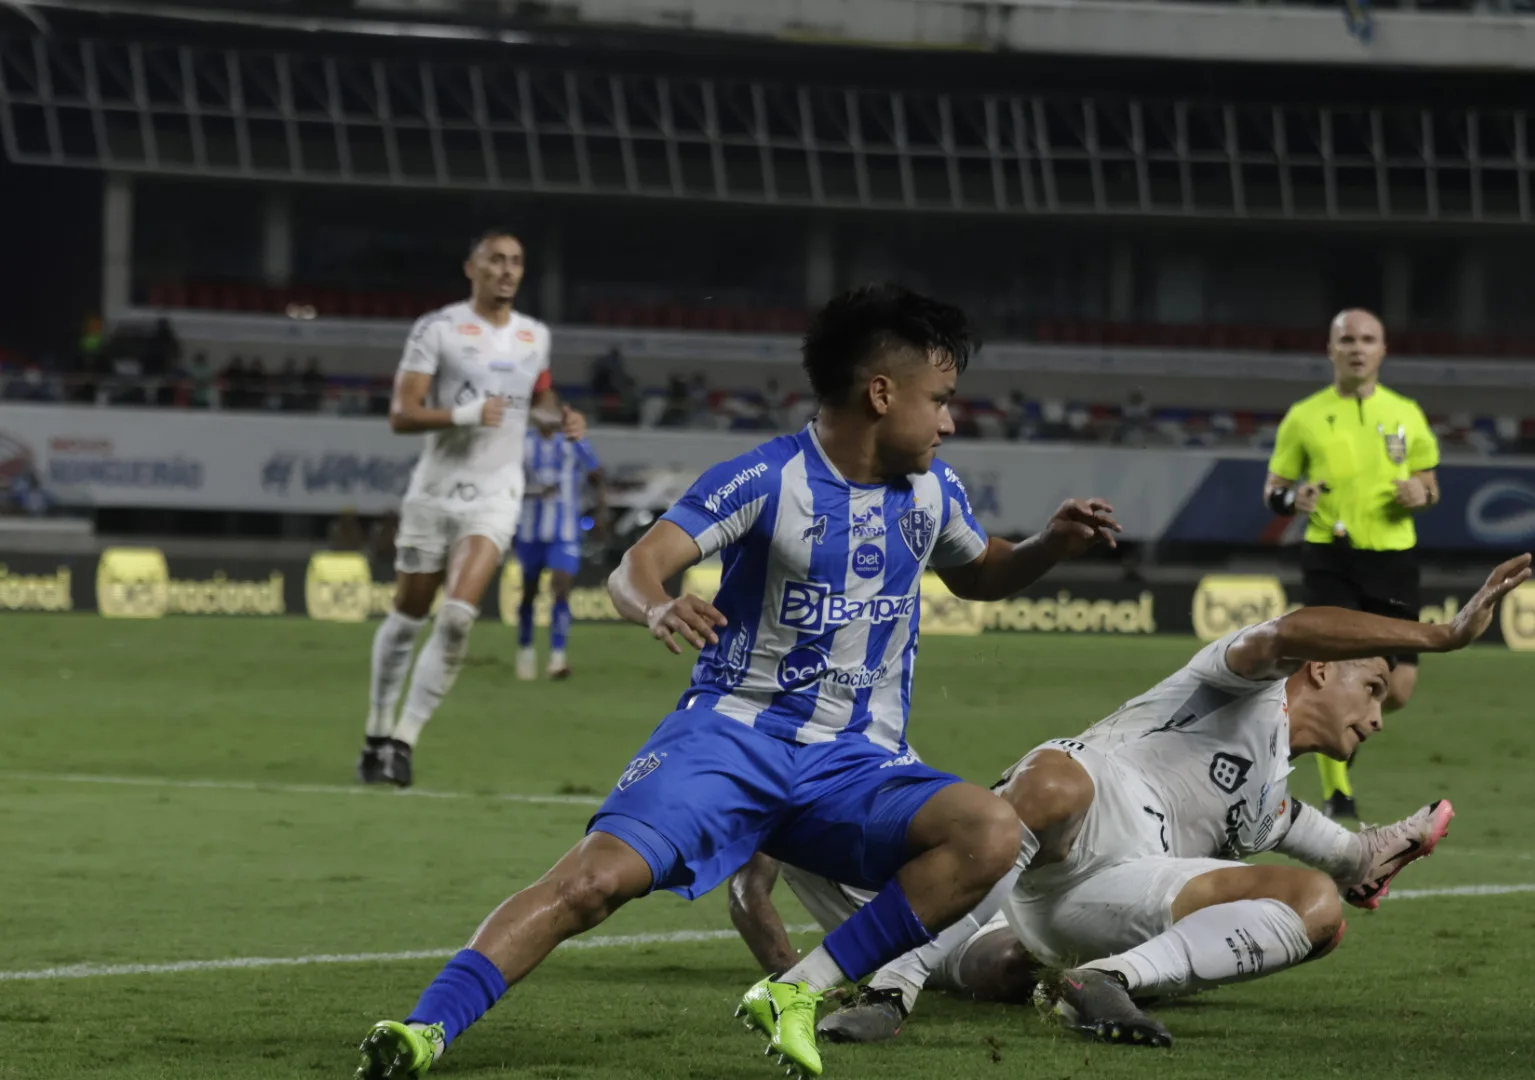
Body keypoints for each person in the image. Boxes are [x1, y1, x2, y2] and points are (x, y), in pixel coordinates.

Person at [354, 283, 1122, 1080]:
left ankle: (799, 990)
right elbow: (637, 565)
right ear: (881, 392)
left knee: (991, 833)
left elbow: (982, 570)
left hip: (852, 762)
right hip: (731, 737)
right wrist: (655, 609)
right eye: (941, 400)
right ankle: (423, 1031)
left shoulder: (933, 491)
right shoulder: (766, 479)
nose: (950, 422)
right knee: (593, 882)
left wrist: (1046, 546)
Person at [741, 555, 1530, 1048]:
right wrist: (1439, 637)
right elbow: (1292, 627)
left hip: (1107, 901)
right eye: (1372, 688)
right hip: (1063, 828)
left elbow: (1334, 853)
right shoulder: (1238, 682)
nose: (1375, 717)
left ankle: (1104, 981)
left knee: (1317, 908)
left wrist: (1372, 854)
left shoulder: (1267, 797)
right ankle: (891, 985)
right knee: (1051, 782)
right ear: (1319, 671)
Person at [353, 228, 583, 789]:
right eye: (496, 260)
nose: (506, 270)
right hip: (434, 489)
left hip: (495, 493)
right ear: (472, 268)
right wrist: (463, 415)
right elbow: (401, 415)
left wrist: (561, 418)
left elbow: (539, 398)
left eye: (515, 262)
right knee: (408, 616)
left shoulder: (534, 336)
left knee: (457, 617)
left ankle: (404, 741)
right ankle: (376, 731)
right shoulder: (439, 329)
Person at [1263, 308, 1440, 821]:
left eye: (1367, 339)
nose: (1357, 348)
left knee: (1397, 688)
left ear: (1383, 350)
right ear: (1331, 349)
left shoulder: (1407, 412)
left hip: (1394, 558)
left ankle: (1333, 751)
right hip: (1329, 555)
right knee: (1336, 672)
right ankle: (1337, 790)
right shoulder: (1305, 416)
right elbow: (1274, 489)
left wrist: (1419, 492)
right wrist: (1292, 499)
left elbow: (1431, 485)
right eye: (1347, 340)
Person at [514, 394, 608, 681]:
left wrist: (602, 510)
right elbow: (506, 483)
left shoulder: (573, 440)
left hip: (564, 530)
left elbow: (596, 473)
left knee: (561, 585)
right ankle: (526, 651)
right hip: (529, 529)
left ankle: (557, 657)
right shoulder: (521, 444)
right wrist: (533, 493)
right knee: (529, 591)